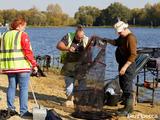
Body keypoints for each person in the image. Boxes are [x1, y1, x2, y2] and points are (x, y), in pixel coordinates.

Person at [95, 21, 137, 116]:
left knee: (127, 87)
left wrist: (125, 67)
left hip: (128, 66)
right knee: (123, 85)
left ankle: (128, 109)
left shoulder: (131, 38)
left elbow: (133, 55)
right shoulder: (123, 37)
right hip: (122, 64)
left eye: (119, 32)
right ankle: (127, 106)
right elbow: (116, 42)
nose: (118, 33)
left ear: (125, 29)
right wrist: (107, 40)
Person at [0, 17, 38, 118]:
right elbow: (27, 51)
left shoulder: (4, 35)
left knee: (11, 87)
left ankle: (10, 109)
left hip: (9, 66)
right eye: (24, 26)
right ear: (19, 25)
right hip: (22, 66)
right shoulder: (22, 35)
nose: (25, 28)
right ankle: (23, 112)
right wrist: (34, 64)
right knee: (23, 89)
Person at [56, 25, 89, 107]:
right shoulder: (69, 36)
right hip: (69, 65)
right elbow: (59, 45)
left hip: (81, 66)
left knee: (82, 85)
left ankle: (79, 99)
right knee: (69, 88)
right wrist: (68, 48)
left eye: (81, 37)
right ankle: (70, 99)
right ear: (75, 34)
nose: (80, 39)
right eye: (78, 37)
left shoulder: (86, 39)